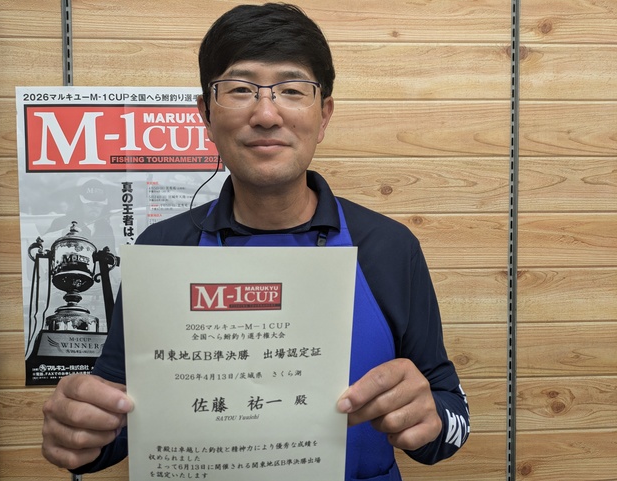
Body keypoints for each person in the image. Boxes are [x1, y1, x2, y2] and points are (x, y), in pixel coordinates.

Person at [41, 3, 470, 479]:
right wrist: (81, 432)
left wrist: (431, 418)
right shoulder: (162, 248)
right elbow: (118, 417)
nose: (266, 114)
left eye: (292, 90)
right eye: (240, 89)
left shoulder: (389, 246)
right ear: (206, 115)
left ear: (324, 115)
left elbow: (451, 411)